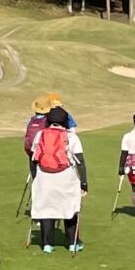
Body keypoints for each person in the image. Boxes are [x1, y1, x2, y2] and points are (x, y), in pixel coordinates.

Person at [28, 105, 86, 252]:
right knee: (70, 207)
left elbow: (33, 158)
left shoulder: (40, 134)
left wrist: (35, 177)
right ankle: (73, 243)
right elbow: (80, 162)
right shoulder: (72, 137)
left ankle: (47, 244)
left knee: (46, 208)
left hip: (44, 176)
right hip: (66, 177)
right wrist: (84, 183)